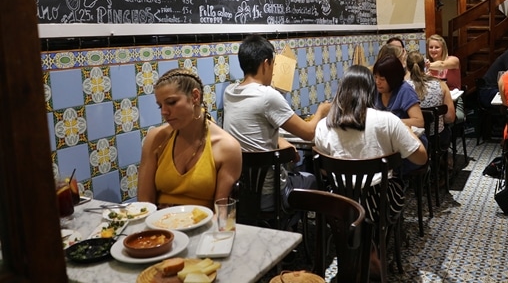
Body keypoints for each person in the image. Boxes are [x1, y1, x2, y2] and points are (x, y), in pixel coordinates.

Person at [313, 65, 427, 278]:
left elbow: (324, 172)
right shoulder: (387, 120)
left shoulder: (323, 125)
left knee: (353, 203)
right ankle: (371, 249)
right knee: (392, 188)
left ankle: (361, 251)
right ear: (370, 90)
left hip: (337, 204)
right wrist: (409, 133)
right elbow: (420, 158)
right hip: (379, 203)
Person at [222, 34, 330, 211]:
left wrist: (281, 141)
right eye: (273, 64)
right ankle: (308, 236)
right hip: (271, 194)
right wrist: (322, 111)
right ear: (266, 63)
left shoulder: (230, 92)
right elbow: (309, 132)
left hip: (241, 193)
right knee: (311, 178)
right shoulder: (268, 96)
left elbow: (252, 130)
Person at [137, 68, 242, 210]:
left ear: (195, 97)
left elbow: (222, 213)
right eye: (160, 106)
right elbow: (145, 203)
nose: (164, 112)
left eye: (171, 102)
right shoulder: (156, 138)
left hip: (204, 227)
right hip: (161, 226)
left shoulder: (226, 147)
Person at [405, 51, 456, 149]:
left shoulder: (403, 88)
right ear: (424, 65)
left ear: (407, 67)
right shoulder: (440, 84)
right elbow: (450, 117)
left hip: (413, 138)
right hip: (437, 138)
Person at [372, 54, 424, 129]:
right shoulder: (376, 89)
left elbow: (419, 121)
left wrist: (389, 122)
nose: (377, 82)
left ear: (393, 78)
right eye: (375, 77)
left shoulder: (405, 90)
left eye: (382, 79)